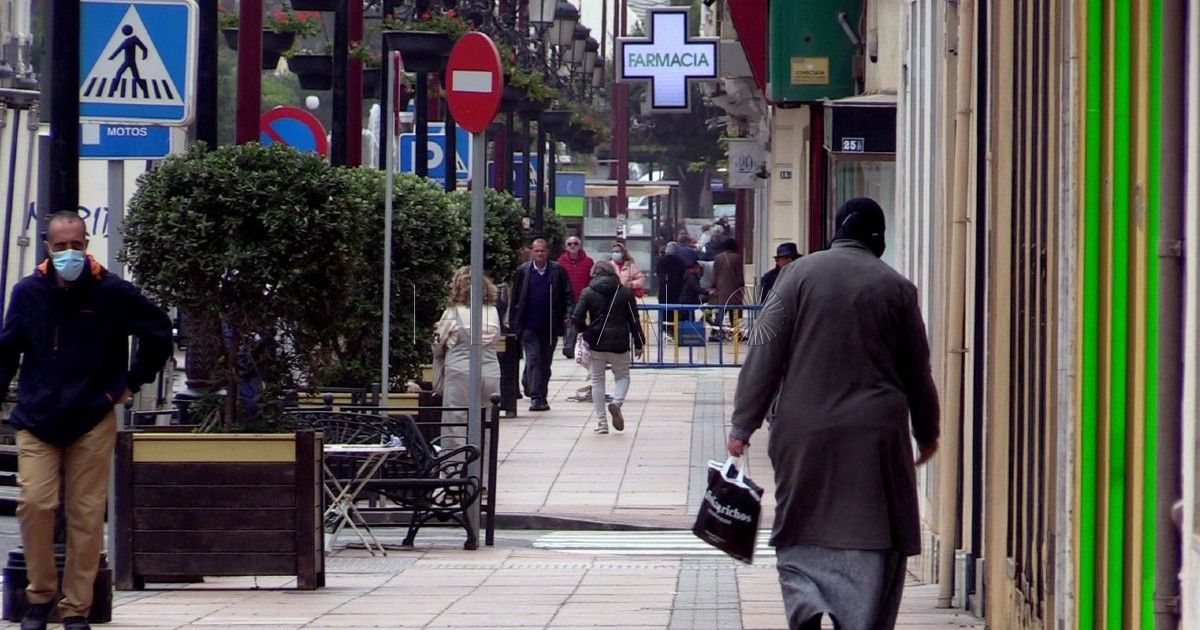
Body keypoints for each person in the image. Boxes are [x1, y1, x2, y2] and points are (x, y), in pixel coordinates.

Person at [727, 197, 940, 630]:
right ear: (878, 237)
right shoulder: (896, 287)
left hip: (803, 433)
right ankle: (857, 615)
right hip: (874, 437)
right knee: (870, 531)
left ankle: (806, 601)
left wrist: (743, 423)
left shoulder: (795, 276)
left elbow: (764, 353)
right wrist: (927, 430)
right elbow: (917, 371)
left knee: (799, 526)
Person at [0, 211, 172, 630]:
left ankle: (76, 606)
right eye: (60, 247)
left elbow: (158, 331)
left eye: (76, 245)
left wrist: (130, 382)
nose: (69, 254)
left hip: (92, 415)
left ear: (86, 244)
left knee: (86, 513)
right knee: (35, 504)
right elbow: (7, 351)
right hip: (37, 417)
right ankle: (39, 595)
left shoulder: (111, 291)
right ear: (47, 247)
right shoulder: (28, 293)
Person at [572, 261, 644, 434]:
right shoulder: (625, 292)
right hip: (620, 342)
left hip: (597, 342)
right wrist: (639, 343)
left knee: (597, 381)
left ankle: (602, 423)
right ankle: (616, 402)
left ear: (594, 273)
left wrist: (585, 331)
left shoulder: (588, 292)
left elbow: (576, 317)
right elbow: (634, 319)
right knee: (622, 376)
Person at [434, 267, 502, 446]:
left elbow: (437, 344)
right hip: (490, 371)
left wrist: (440, 353)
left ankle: (457, 461)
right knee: (487, 418)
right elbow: (496, 338)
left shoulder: (452, 313)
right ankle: (484, 460)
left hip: (459, 371)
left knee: (456, 419)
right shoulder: (492, 312)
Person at [509, 238, 573, 412]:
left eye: (542, 251)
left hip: (550, 326)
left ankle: (538, 392)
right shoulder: (523, 271)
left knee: (545, 362)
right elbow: (515, 298)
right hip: (528, 325)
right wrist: (514, 323)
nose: (539, 254)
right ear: (531, 252)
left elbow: (568, 294)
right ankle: (536, 398)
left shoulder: (557, 270)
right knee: (533, 358)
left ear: (548, 252)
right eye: (536, 251)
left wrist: (568, 314)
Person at [710, 239, 745, 339]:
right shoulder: (737, 258)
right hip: (734, 289)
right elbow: (739, 274)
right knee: (734, 313)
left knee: (720, 313)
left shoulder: (718, 257)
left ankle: (714, 333)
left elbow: (715, 274)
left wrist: (713, 286)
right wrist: (742, 287)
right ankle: (736, 334)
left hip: (721, 289)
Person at [656, 242, 687, 335]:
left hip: (664, 291)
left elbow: (660, 276)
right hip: (677, 291)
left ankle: (665, 329)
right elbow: (683, 276)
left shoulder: (661, 261)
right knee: (675, 311)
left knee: (665, 311)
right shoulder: (681, 262)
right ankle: (674, 330)